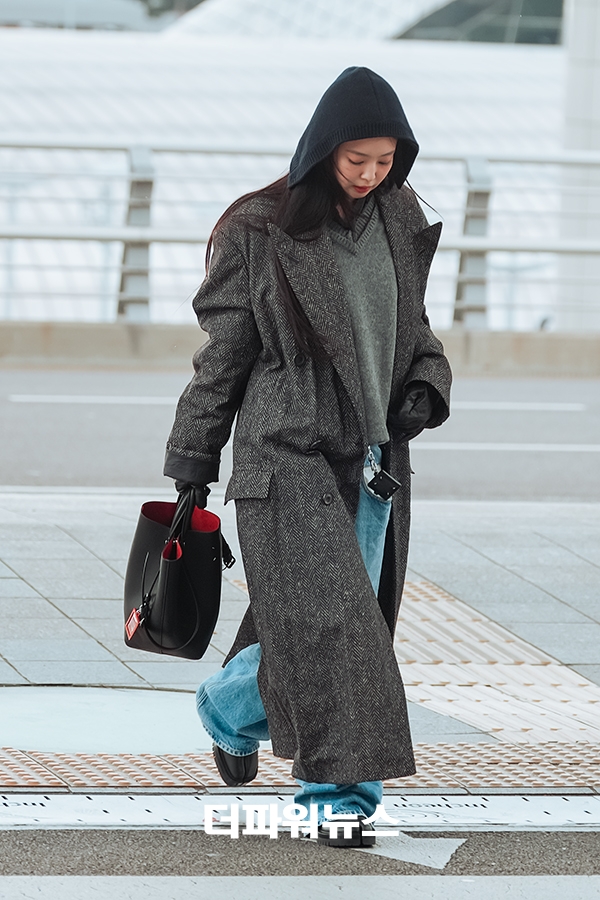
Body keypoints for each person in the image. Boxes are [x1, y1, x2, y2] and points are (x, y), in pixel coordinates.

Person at [164, 66, 451, 848]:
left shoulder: (398, 219)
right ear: (322, 149)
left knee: (345, 626)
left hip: (373, 461)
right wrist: (194, 458)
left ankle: (226, 708)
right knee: (337, 633)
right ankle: (337, 799)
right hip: (285, 455)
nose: (369, 175)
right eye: (355, 159)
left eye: (385, 161)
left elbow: (415, 330)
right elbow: (221, 358)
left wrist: (424, 385)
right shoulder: (258, 230)